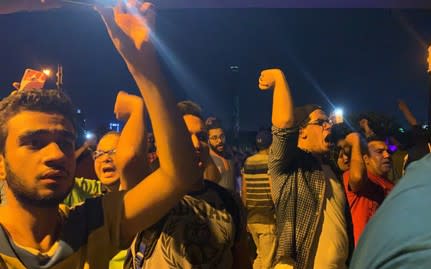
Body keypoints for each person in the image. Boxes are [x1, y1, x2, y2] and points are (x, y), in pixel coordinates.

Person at [0, 1, 200, 268]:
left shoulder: (90, 225)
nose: (56, 154)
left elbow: (178, 176)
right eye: (34, 143)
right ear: (1, 164)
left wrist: (144, 64)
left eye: (66, 142)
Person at [124, 100, 251, 269]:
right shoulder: (147, 195)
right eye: (184, 136)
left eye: (202, 137)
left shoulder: (230, 202)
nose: (197, 145)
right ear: (161, 148)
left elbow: (241, 262)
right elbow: (130, 158)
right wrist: (137, 107)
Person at [259, 68, 351, 269]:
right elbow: (284, 126)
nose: (328, 126)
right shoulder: (288, 166)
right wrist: (279, 77)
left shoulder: (329, 168)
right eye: (320, 122)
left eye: (328, 122)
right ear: (301, 131)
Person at [342, 133, 394, 245]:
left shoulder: (392, 186)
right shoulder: (355, 177)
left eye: (388, 151)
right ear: (366, 159)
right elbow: (357, 177)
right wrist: (355, 141)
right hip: (364, 256)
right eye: (380, 152)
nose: (387, 155)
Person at [241, 129, 276, 269]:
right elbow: (273, 190)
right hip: (267, 218)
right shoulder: (272, 162)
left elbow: (244, 190)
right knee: (268, 261)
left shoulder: (248, 161)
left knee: (260, 255)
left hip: (252, 218)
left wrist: (245, 217)